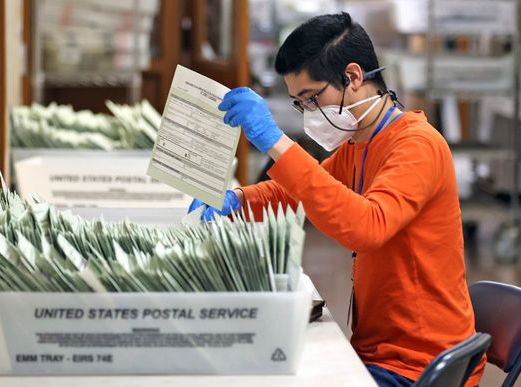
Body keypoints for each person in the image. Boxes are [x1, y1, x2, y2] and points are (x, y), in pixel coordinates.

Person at [188, 12, 484, 387]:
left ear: (354, 77)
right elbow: (300, 190)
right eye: (300, 104)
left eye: (312, 98)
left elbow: (366, 227)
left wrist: (276, 142)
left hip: (419, 364)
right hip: (379, 351)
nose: (310, 112)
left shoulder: (417, 145)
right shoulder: (358, 146)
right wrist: (236, 200)